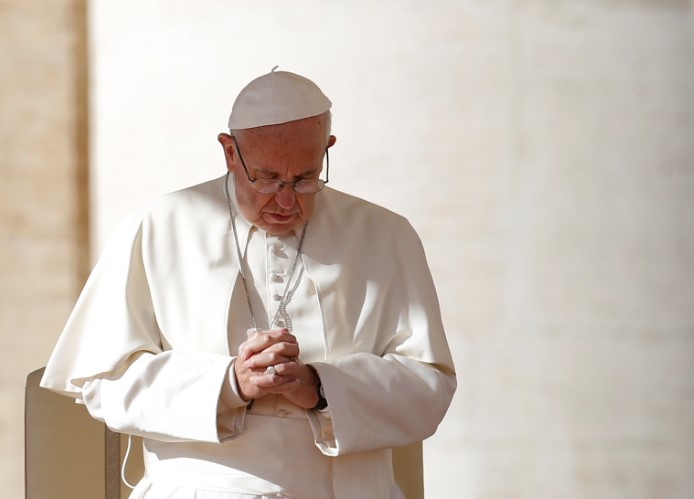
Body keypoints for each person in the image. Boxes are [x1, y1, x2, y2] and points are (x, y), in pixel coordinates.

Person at [40, 68, 457, 499]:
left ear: (328, 149)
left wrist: (321, 387)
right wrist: (228, 383)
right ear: (229, 153)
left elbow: (429, 386)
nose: (285, 199)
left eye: (304, 178)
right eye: (267, 177)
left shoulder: (385, 235)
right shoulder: (157, 227)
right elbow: (105, 382)